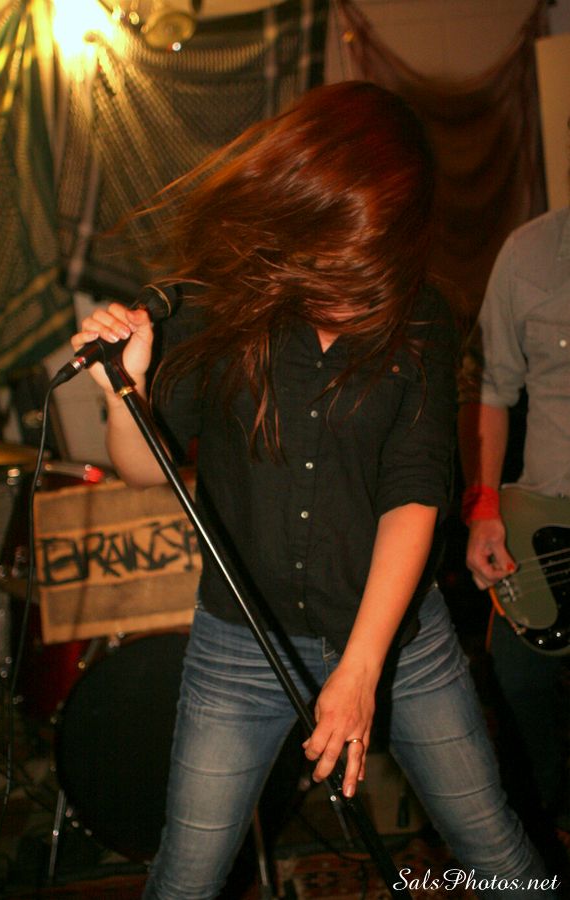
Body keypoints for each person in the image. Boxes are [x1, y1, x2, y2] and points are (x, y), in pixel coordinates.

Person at [72, 81, 552, 899]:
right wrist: (128, 392)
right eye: (321, 246)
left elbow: (414, 493)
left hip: (400, 642)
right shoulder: (227, 308)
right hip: (241, 646)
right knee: (184, 879)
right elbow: (145, 468)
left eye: (357, 255)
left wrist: (361, 671)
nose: (334, 273)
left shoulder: (424, 320)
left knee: (500, 858)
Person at [458, 206, 570, 859]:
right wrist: (483, 509)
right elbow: (488, 391)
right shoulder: (528, 253)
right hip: (546, 527)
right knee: (515, 682)